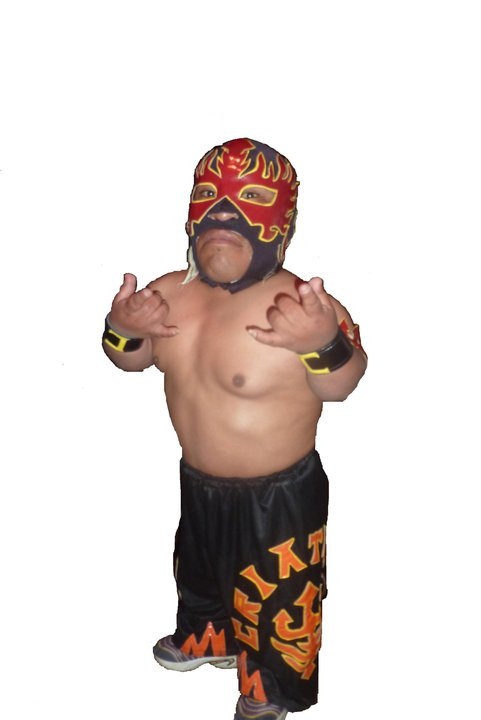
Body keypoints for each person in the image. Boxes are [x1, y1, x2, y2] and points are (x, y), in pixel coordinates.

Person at [102, 138, 367, 719]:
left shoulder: (303, 306)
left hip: (279, 495)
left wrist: (320, 342)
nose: (224, 211)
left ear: (283, 222)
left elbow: (342, 384)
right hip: (198, 480)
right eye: (209, 195)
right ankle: (210, 635)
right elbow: (130, 359)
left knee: (277, 596)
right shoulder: (168, 292)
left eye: (251, 198)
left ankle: (272, 685)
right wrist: (123, 327)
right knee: (199, 567)